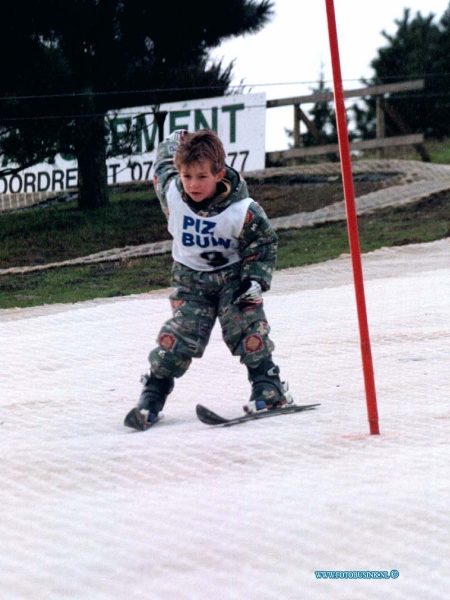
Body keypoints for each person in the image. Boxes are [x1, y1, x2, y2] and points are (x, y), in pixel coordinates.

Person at [124, 129, 292, 429]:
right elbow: (163, 161)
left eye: (202, 177)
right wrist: (178, 138)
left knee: (245, 325)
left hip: (232, 278)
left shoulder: (242, 210)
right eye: (187, 176)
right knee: (179, 336)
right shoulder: (172, 190)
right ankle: (153, 392)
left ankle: (269, 385)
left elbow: (264, 244)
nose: (193, 185)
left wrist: (253, 280)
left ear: (218, 173)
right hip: (190, 282)